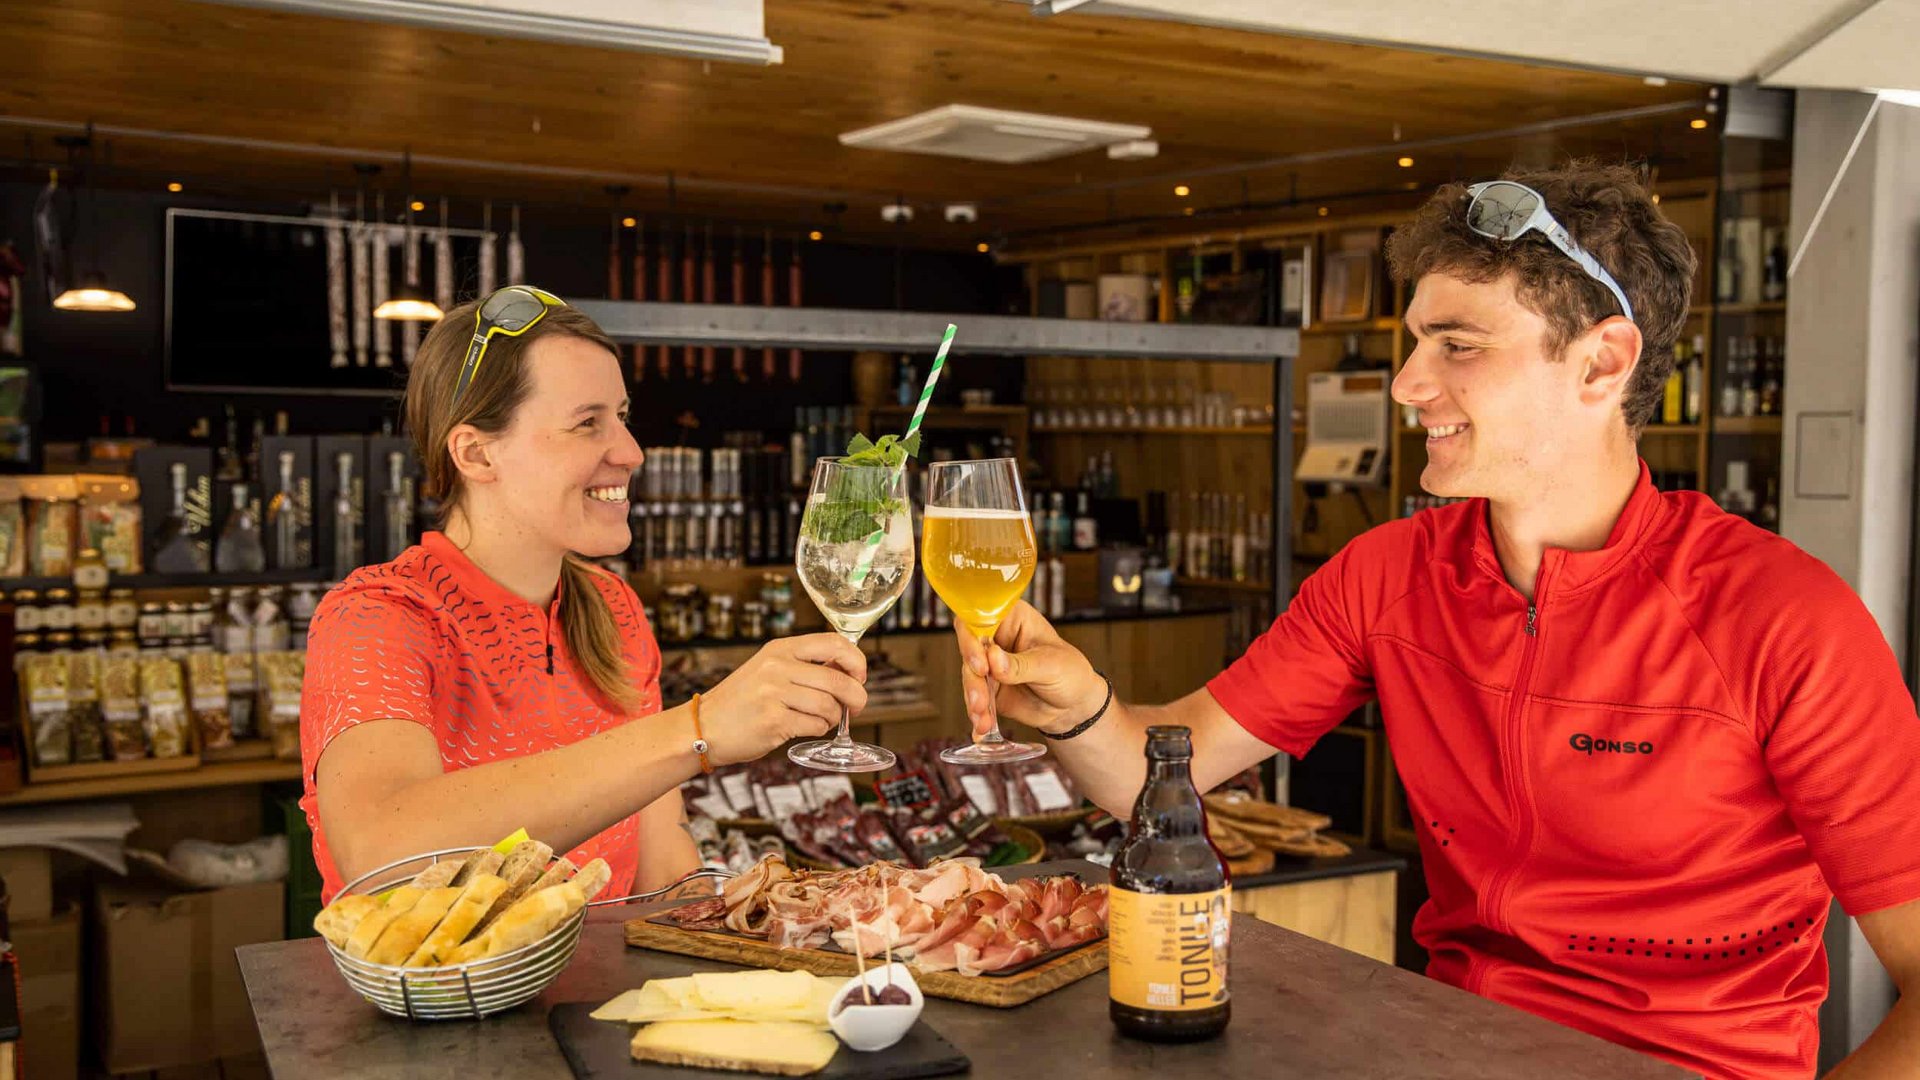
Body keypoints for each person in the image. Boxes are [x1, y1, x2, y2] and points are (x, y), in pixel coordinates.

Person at [954, 164, 1920, 1079]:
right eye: (1415, 341)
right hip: (1442, 1050)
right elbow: (1159, 778)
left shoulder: (1784, 621)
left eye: (1457, 345)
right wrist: (1077, 706)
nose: (1408, 382)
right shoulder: (1388, 575)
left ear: (1602, 363)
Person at [299, 288, 869, 903]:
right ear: (476, 453)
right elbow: (382, 847)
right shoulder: (380, 616)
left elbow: (665, 881)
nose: (630, 452)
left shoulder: (614, 611)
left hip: (600, 999)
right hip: (434, 998)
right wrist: (698, 730)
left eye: (622, 416)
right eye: (586, 423)